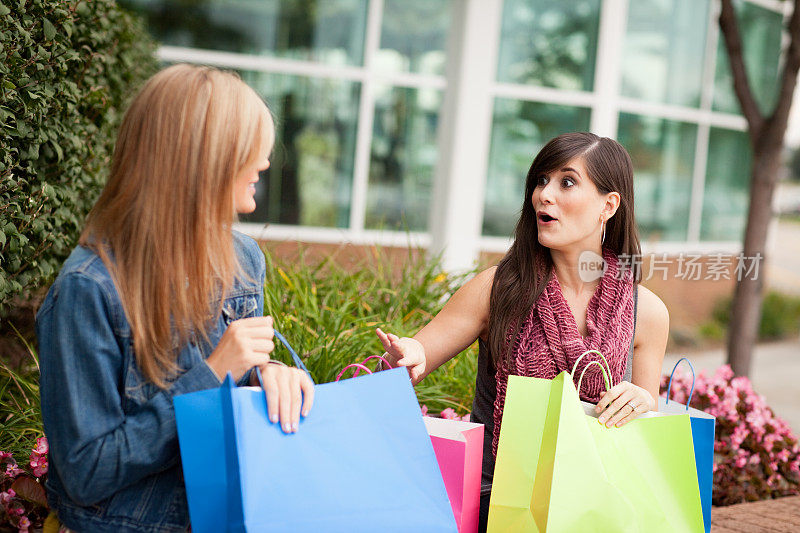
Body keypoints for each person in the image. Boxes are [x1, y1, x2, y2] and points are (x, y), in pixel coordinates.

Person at [36, 64, 314, 533]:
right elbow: (87, 472)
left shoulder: (244, 258)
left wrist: (273, 376)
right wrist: (211, 375)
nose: (265, 164)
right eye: (251, 149)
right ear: (203, 160)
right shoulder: (89, 289)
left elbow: (241, 389)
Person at [376, 132, 669, 531]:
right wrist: (409, 353)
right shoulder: (498, 289)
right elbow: (420, 353)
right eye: (540, 181)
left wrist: (641, 399)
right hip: (499, 502)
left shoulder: (646, 311)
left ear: (608, 205)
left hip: (595, 505)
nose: (544, 195)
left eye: (566, 182)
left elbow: (645, 418)